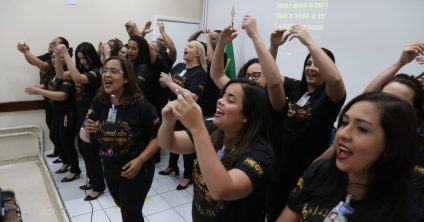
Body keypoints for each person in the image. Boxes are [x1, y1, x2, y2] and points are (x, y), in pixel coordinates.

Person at [277, 92, 424, 222]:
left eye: (362, 129)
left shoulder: (406, 211)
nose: (342, 134)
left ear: (391, 146)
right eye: (345, 122)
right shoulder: (319, 171)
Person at [158, 79, 274, 221]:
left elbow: (221, 190)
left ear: (247, 115)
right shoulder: (211, 127)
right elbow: (168, 143)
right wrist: (168, 121)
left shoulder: (261, 154)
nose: (220, 101)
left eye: (230, 100)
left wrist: (197, 128)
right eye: (223, 95)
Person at [268, 24, 346, 220]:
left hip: (308, 173)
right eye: (308, 63)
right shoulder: (296, 88)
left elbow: (335, 81)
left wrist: (309, 42)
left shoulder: (330, 97)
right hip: (281, 166)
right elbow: (271, 76)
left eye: (318, 64)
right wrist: (274, 47)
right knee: (274, 213)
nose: (311, 68)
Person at [81, 56, 160, 222]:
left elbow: (157, 139)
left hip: (136, 171)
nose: (107, 74)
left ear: (125, 78)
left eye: (114, 71)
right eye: (105, 70)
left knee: (129, 214)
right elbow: (86, 132)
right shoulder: (100, 101)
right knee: (122, 205)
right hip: (109, 167)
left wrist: (140, 160)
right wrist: (88, 129)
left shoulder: (143, 107)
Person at [55, 42, 105, 200]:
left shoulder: (98, 72)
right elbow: (61, 75)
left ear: (92, 56)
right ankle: (92, 180)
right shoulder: (84, 71)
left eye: (84, 58)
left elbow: (77, 78)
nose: (82, 61)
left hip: (91, 120)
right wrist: (58, 56)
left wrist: (65, 54)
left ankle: (98, 186)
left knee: (92, 154)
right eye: (79, 58)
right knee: (84, 151)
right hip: (80, 118)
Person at [158, 40, 208, 190]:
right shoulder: (179, 66)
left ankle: (187, 176)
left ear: (198, 53)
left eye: (190, 47)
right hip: (173, 110)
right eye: (186, 45)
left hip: (187, 114)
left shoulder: (200, 73)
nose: (185, 48)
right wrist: (165, 82)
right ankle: (172, 166)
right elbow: (165, 85)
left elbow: (192, 97)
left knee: (186, 146)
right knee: (172, 138)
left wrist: (170, 83)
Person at [25, 52, 80, 183]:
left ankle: (75, 170)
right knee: (54, 136)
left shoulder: (67, 74)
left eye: (59, 57)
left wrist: (40, 91)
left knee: (67, 142)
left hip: (67, 115)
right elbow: (49, 86)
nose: (55, 60)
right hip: (57, 114)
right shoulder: (54, 74)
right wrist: (38, 88)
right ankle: (65, 161)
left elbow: (63, 95)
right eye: (54, 57)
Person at [17, 37, 71, 160]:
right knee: (52, 128)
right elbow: (33, 61)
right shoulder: (49, 55)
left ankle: (67, 160)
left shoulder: (64, 62)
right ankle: (60, 153)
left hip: (61, 105)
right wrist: (26, 52)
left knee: (60, 133)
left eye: (54, 43)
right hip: (50, 100)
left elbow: (42, 65)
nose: (50, 43)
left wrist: (26, 52)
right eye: (50, 41)